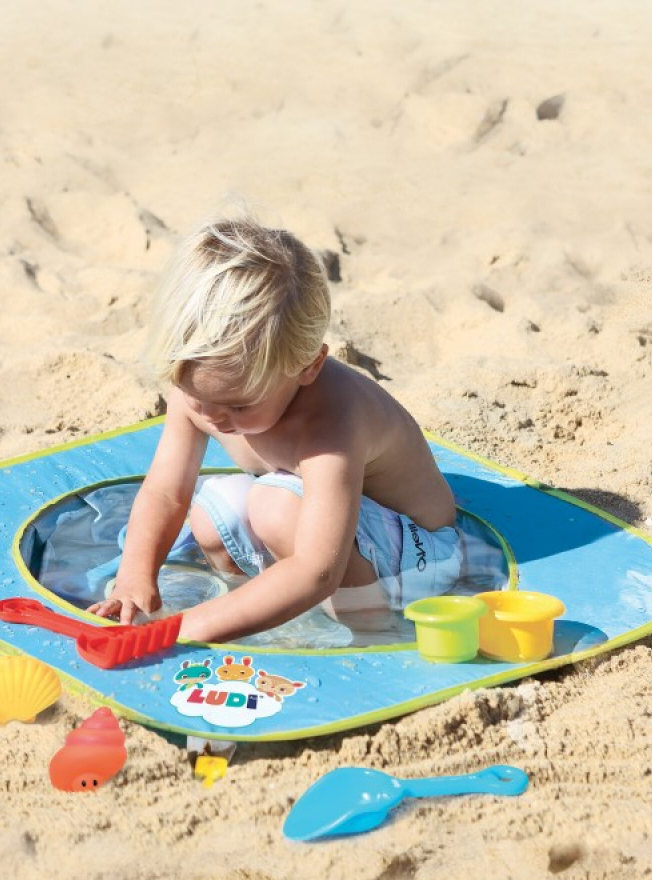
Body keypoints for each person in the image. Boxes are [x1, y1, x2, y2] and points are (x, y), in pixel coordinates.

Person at [87, 214, 461, 643]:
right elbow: (166, 493)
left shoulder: (333, 421)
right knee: (211, 515)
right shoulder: (205, 387)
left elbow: (316, 569)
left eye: (239, 405)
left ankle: (372, 627)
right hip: (339, 535)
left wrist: (191, 627)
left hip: (420, 560)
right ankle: (263, 608)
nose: (212, 417)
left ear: (308, 367)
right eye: (194, 395)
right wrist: (135, 576)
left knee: (275, 507)